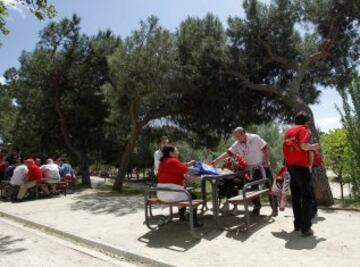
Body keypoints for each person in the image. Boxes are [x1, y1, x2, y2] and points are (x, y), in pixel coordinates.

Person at [212, 127, 277, 216]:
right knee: (252, 189)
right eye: (235, 137)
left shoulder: (255, 138)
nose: (236, 139)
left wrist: (266, 161)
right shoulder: (237, 144)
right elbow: (228, 153)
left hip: (263, 166)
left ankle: (274, 208)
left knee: (270, 187)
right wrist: (217, 160)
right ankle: (256, 208)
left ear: (243, 134)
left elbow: (265, 148)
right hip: (251, 170)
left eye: (238, 137)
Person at [283, 111, 320, 237]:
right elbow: (304, 146)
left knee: (295, 196)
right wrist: (314, 146)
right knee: (307, 196)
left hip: (290, 166)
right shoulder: (303, 129)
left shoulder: (289, 131)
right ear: (306, 122)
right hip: (301, 166)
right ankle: (306, 227)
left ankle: (297, 224)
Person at [157, 145, 202, 227]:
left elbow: (179, 168)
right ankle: (194, 223)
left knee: (186, 192)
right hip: (172, 193)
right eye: (176, 151)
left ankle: (182, 217)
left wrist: (188, 165)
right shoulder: (173, 161)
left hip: (161, 193)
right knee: (193, 197)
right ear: (171, 153)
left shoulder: (163, 162)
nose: (178, 152)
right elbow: (189, 171)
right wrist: (201, 169)